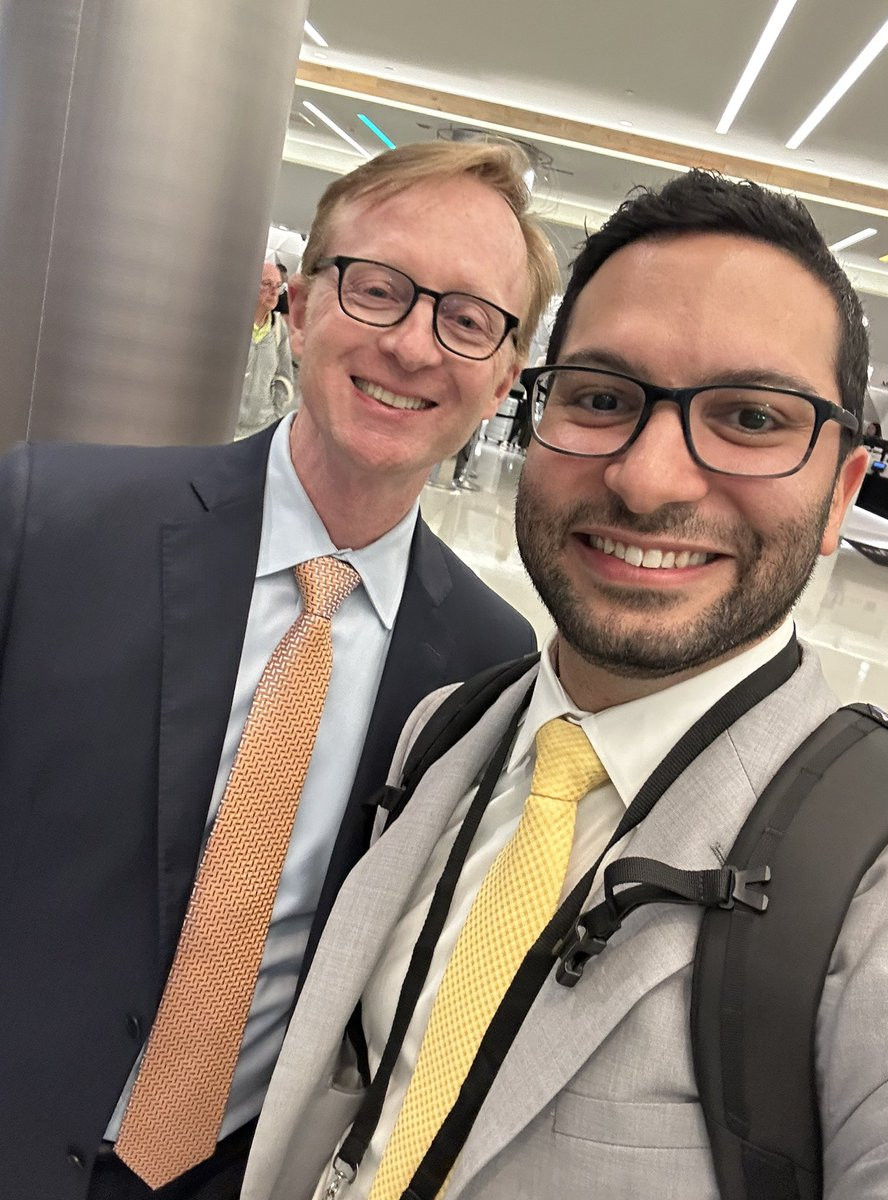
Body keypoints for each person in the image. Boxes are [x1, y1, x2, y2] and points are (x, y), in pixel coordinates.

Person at [242, 171, 888, 1200]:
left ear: (841, 493)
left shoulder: (874, 878)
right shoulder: (447, 732)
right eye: (601, 398)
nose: (648, 479)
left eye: (750, 417)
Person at [0, 140, 559, 1200]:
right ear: (298, 310)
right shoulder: (55, 522)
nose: (412, 345)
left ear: (503, 378)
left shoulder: (490, 663)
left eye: (467, 319)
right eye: (378, 288)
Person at [234, 261, 295, 440]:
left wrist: (275, 413)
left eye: (278, 286)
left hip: (260, 429)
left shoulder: (278, 328)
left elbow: (285, 375)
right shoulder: (233, 322)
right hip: (225, 429)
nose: (274, 292)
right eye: (267, 284)